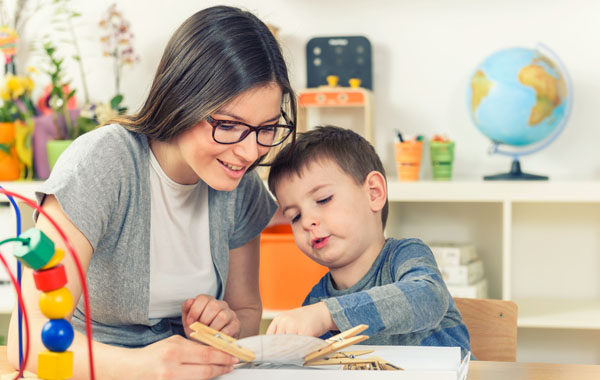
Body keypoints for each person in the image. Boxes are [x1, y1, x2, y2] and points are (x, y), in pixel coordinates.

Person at [8, 5, 296, 380]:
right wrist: (142, 366)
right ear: (182, 99)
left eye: (267, 128)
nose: (250, 152)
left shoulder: (240, 186)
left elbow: (246, 316)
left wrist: (225, 327)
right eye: (228, 125)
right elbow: (27, 339)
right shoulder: (103, 164)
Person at [266, 126, 471, 357]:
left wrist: (327, 315)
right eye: (295, 216)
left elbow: (428, 298)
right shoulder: (316, 301)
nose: (307, 222)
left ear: (373, 193)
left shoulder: (405, 255)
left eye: (323, 200)